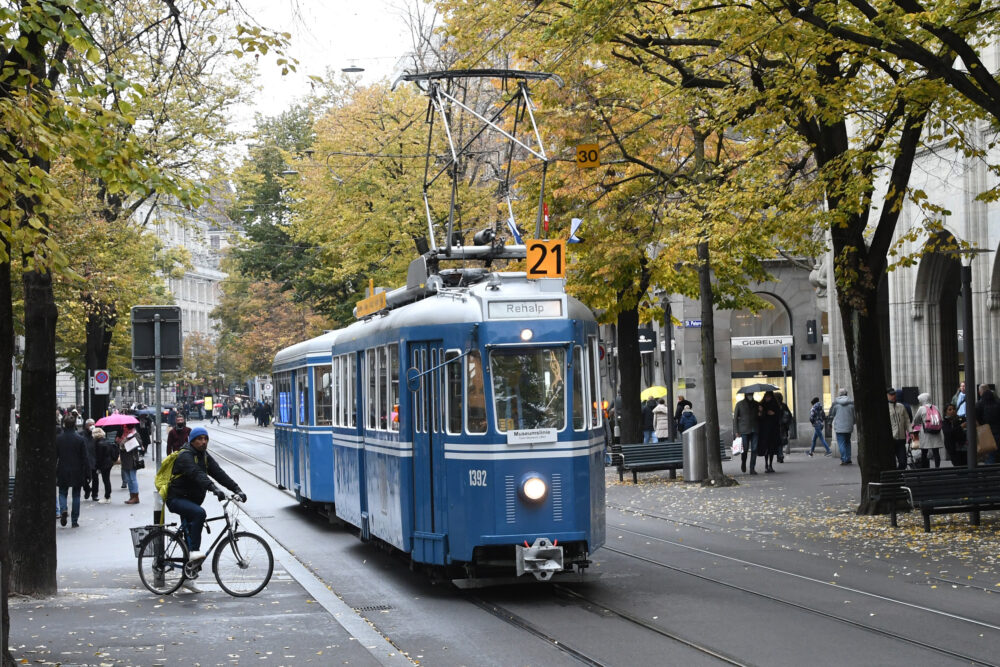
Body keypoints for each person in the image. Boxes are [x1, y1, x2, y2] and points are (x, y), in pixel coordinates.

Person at [164, 427, 246, 593]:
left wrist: (236, 488)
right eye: (199, 439)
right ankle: (193, 552)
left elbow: (218, 472)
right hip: (177, 499)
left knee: (194, 528)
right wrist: (214, 489)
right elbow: (196, 474)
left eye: (205, 439)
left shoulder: (204, 456)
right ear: (192, 441)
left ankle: (189, 576)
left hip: (191, 500)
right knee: (199, 514)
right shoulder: (185, 455)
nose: (203, 442)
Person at [56, 415, 89, 527]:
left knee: (62, 492)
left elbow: (55, 456)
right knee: (76, 495)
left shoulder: (59, 439)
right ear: (75, 424)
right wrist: (88, 474)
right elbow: (85, 458)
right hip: (77, 470)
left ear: (64, 424)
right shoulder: (80, 439)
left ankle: (63, 509)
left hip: (63, 469)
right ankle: (74, 520)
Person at [912, 393, 944, 468]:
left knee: (924, 452)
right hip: (936, 432)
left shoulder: (921, 408)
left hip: (926, 433)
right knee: (936, 452)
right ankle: (937, 468)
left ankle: (924, 468)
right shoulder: (936, 407)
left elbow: (916, 420)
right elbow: (940, 419)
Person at [733, 391, 760, 474]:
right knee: (744, 449)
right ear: (746, 395)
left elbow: (760, 417)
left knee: (754, 449)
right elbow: (735, 418)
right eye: (749, 394)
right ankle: (743, 462)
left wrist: (761, 412)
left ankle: (752, 468)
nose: (750, 396)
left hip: (755, 429)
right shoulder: (739, 404)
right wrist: (736, 431)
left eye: (752, 394)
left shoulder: (756, 404)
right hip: (744, 430)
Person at [117, 424, 143, 504]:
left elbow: (140, 443)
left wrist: (130, 439)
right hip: (125, 459)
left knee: (132, 478)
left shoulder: (134, 434)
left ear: (129, 427)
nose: (124, 428)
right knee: (128, 479)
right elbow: (121, 445)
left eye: (125, 427)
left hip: (132, 459)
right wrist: (119, 441)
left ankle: (135, 496)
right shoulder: (124, 435)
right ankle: (131, 496)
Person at [829, 388, 856, 465]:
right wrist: (853, 422)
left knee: (841, 443)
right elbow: (854, 415)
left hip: (839, 427)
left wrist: (830, 423)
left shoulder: (835, 403)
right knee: (848, 442)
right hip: (849, 426)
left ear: (839, 394)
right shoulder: (851, 403)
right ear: (846, 394)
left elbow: (831, 415)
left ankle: (844, 459)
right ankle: (848, 458)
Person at [975, 384, 1000, 465]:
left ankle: (990, 475)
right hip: (998, 431)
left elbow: (975, 419)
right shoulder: (998, 402)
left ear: (980, 392)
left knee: (990, 456)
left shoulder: (979, 404)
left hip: (986, 434)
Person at [757, 391, 782, 473]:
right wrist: (761, 412)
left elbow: (779, 416)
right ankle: (766, 464)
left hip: (773, 430)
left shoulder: (775, 405)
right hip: (764, 431)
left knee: (771, 448)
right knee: (766, 448)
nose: (767, 398)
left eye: (769, 397)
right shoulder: (762, 405)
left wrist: (774, 414)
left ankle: (770, 464)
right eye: (766, 397)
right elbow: (759, 419)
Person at [887, 388, 911, 470]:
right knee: (890, 463)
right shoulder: (885, 408)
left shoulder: (901, 406)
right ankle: (895, 478)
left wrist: (910, 432)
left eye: (894, 394)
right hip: (891, 439)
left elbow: (907, 421)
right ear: (887, 396)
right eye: (891, 395)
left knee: (903, 462)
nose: (893, 396)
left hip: (901, 439)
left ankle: (898, 475)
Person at [92, 427, 116, 503]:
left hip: (104, 464)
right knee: (106, 479)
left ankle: (107, 497)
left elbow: (99, 457)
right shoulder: (106, 441)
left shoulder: (98, 444)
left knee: (106, 480)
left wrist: (97, 467)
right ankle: (107, 496)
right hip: (109, 463)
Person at [941, 403, 967, 467]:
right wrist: (960, 427)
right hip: (953, 447)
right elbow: (948, 432)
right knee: (957, 465)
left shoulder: (960, 419)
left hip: (963, 447)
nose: (952, 411)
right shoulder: (945, 422)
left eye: (954, 409)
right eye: (950, 410)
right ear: (946, 412)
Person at [82, 419, 99, 501]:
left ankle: (95, 494)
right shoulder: (82, 435)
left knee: (95, 478)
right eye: (90, 425)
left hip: (94, 460)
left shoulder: (96, 435)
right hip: (85, 461)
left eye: (93, 424)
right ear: (86, 426)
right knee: (84, 478)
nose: (92, 426)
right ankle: (87, 489)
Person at [774, 391, 792, 463]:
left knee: (778, 442)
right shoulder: (783, 405)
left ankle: (779, 455)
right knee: (780, 442)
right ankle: (780, 455)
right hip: (783, 427)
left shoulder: (774, 406)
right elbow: (789, 415)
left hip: (776, 426)